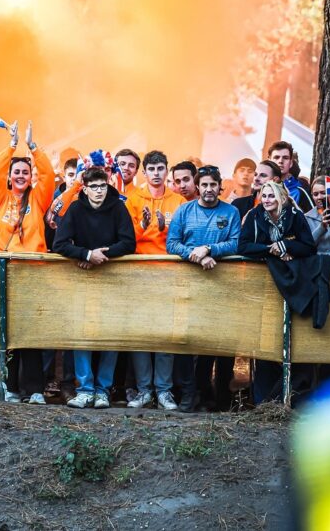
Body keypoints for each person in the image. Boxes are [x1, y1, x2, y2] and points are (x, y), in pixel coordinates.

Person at [52, 166, 136, 408]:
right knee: (83, 334)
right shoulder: (76, 209)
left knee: (110, 335)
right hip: (83, 281)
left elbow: (129, 243)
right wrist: (87, 254)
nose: (99, 191)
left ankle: (103, 390)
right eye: (94, 186)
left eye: (103, 186)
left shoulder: (118, 207)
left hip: (113, 281)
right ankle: (85, 388)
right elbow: (59, 243)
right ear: (85, 189)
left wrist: (101, 256)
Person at [0, 120, 55, 403]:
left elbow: (48, 176)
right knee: (6, 333)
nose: (20, 175)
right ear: (10, 175)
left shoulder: (38, 199)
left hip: (32, 274)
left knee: (30, 333)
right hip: (3, 273)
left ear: (30, 177)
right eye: (16, 171)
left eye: (25, 172)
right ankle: (8, 388)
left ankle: (35, 390)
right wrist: (12, 146)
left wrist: (33, 147)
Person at [166, 165, 242, 412]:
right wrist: (195, 255)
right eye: (205, 185)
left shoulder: (231, 212)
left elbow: (235, 243)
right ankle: (189, 392)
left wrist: (209, 249)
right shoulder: (184, 210)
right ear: (198, 187)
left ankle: (216, 395)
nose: (209, 189)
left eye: (213, 185)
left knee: (217, 339)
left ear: (220, 187)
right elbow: (172, 244)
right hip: (188, 285)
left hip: (221, 286)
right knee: (186, 340)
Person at [238, 180, 318, 403]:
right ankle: (264, 400)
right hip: (263, 284)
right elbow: (242, 246)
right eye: (264, 196)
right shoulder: (254, 216)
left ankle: (293, 397)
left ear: (281, 197)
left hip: (290, 282)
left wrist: (287, 245)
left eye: (271, 195)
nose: (266, 200)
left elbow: (309, 246)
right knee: (266, 341)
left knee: (292, 339)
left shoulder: (295, 215)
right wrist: (270, 250)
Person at [124, 150, 186, 411]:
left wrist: (166, 229)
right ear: (145, 172)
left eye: (161, 168)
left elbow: (182, 238)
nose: (156, 173)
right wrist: (143, 226)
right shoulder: (133, 199)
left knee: (165, 334)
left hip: (168, 274)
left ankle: (164, 391)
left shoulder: (179, 201)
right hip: (140, 274)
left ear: (166, 170)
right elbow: (126, 238)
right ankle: (144, 390)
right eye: (152, 169)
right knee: (141, 334)